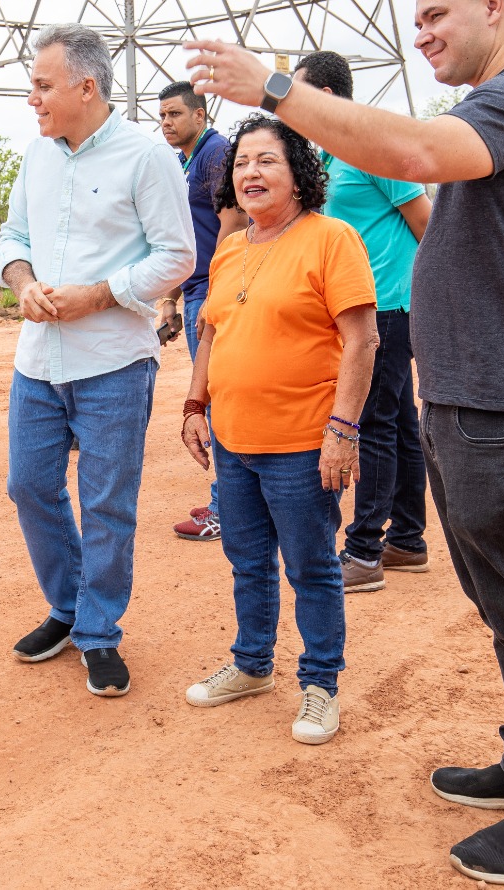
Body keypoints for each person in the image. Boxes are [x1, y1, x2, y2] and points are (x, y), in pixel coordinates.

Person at [187, 0, 504, 884]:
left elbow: (412, 155)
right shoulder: (499, 107)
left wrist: (276, 89)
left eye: (435, 16)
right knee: (501, 601)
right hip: (469, 399)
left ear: (497, 4)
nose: (420, 37)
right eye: (415, 22)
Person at [0, 23, 196, 699]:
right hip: (39, 362)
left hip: (113, 360)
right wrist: (23, 282)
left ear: (86, 86)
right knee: (29, 486)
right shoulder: (37, 155)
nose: (32, 98)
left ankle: (99, 632)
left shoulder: (146, 156)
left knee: (108, 504)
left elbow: (178, 255)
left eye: (42, 85)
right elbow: (13, 236)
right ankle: (68, 605)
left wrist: (98, 295)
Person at [179, 114, 378, 745]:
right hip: (234, 440)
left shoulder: (331, 238)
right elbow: (213, 329)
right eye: (241, 163)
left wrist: (343, 428)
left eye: (266, 161)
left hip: (302, 442)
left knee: (311, 565)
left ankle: (321, 685)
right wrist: (193, 404)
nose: (250, 173)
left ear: (298, 173)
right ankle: (252, 665)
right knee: (246, 561)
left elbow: (362, 339)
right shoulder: (232, 248)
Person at [292, 51, 432, 593]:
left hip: (388, 308)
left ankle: (365, 551)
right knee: (397, 422)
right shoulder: (328, 156)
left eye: (296, 96)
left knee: (372, 424)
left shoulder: (372, 150)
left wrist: (430, 301)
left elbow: (427, 224)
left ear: (324, 97)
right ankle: (409, 541)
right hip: (359, 308)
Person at [155, 81, 246, 542]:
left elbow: (233, 223)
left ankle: (228, 510)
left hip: (213, 291)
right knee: (215, 397)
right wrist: (171, 297)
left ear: (200, 113)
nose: (167, 123)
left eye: (175, 114)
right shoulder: (186, 160)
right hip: (195, 289)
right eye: (162, 116)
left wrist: (214, 291)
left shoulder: (216, 154)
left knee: (217, 400)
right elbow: (184, 239)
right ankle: (231, 501)